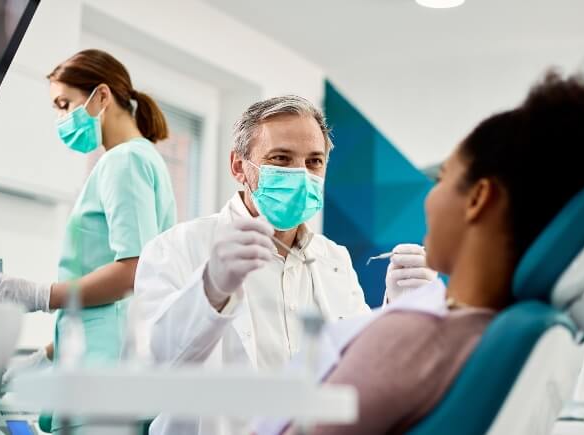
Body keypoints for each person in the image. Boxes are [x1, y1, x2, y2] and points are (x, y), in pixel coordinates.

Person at [256, 71, 584, 435]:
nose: (429, 197)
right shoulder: (501, 333)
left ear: (479, 199)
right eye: (281, 160)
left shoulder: (411, 338)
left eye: (441, 178)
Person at [134, 95, 438, 435]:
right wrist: (211, 289)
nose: (301, 174)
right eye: (281, 159)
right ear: (238, 167)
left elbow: (359, 369)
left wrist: (397, 308)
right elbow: (151, 370)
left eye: (314, 162)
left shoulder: (334, 259)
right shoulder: (178, 247)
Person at [0, 49, 177, 433]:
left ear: (102, 96)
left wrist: (42, 295)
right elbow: (106, 313)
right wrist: (44, 358)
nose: (62, 119)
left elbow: (131, 274)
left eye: (65, 104)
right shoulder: (143, 160)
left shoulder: (124, 162)